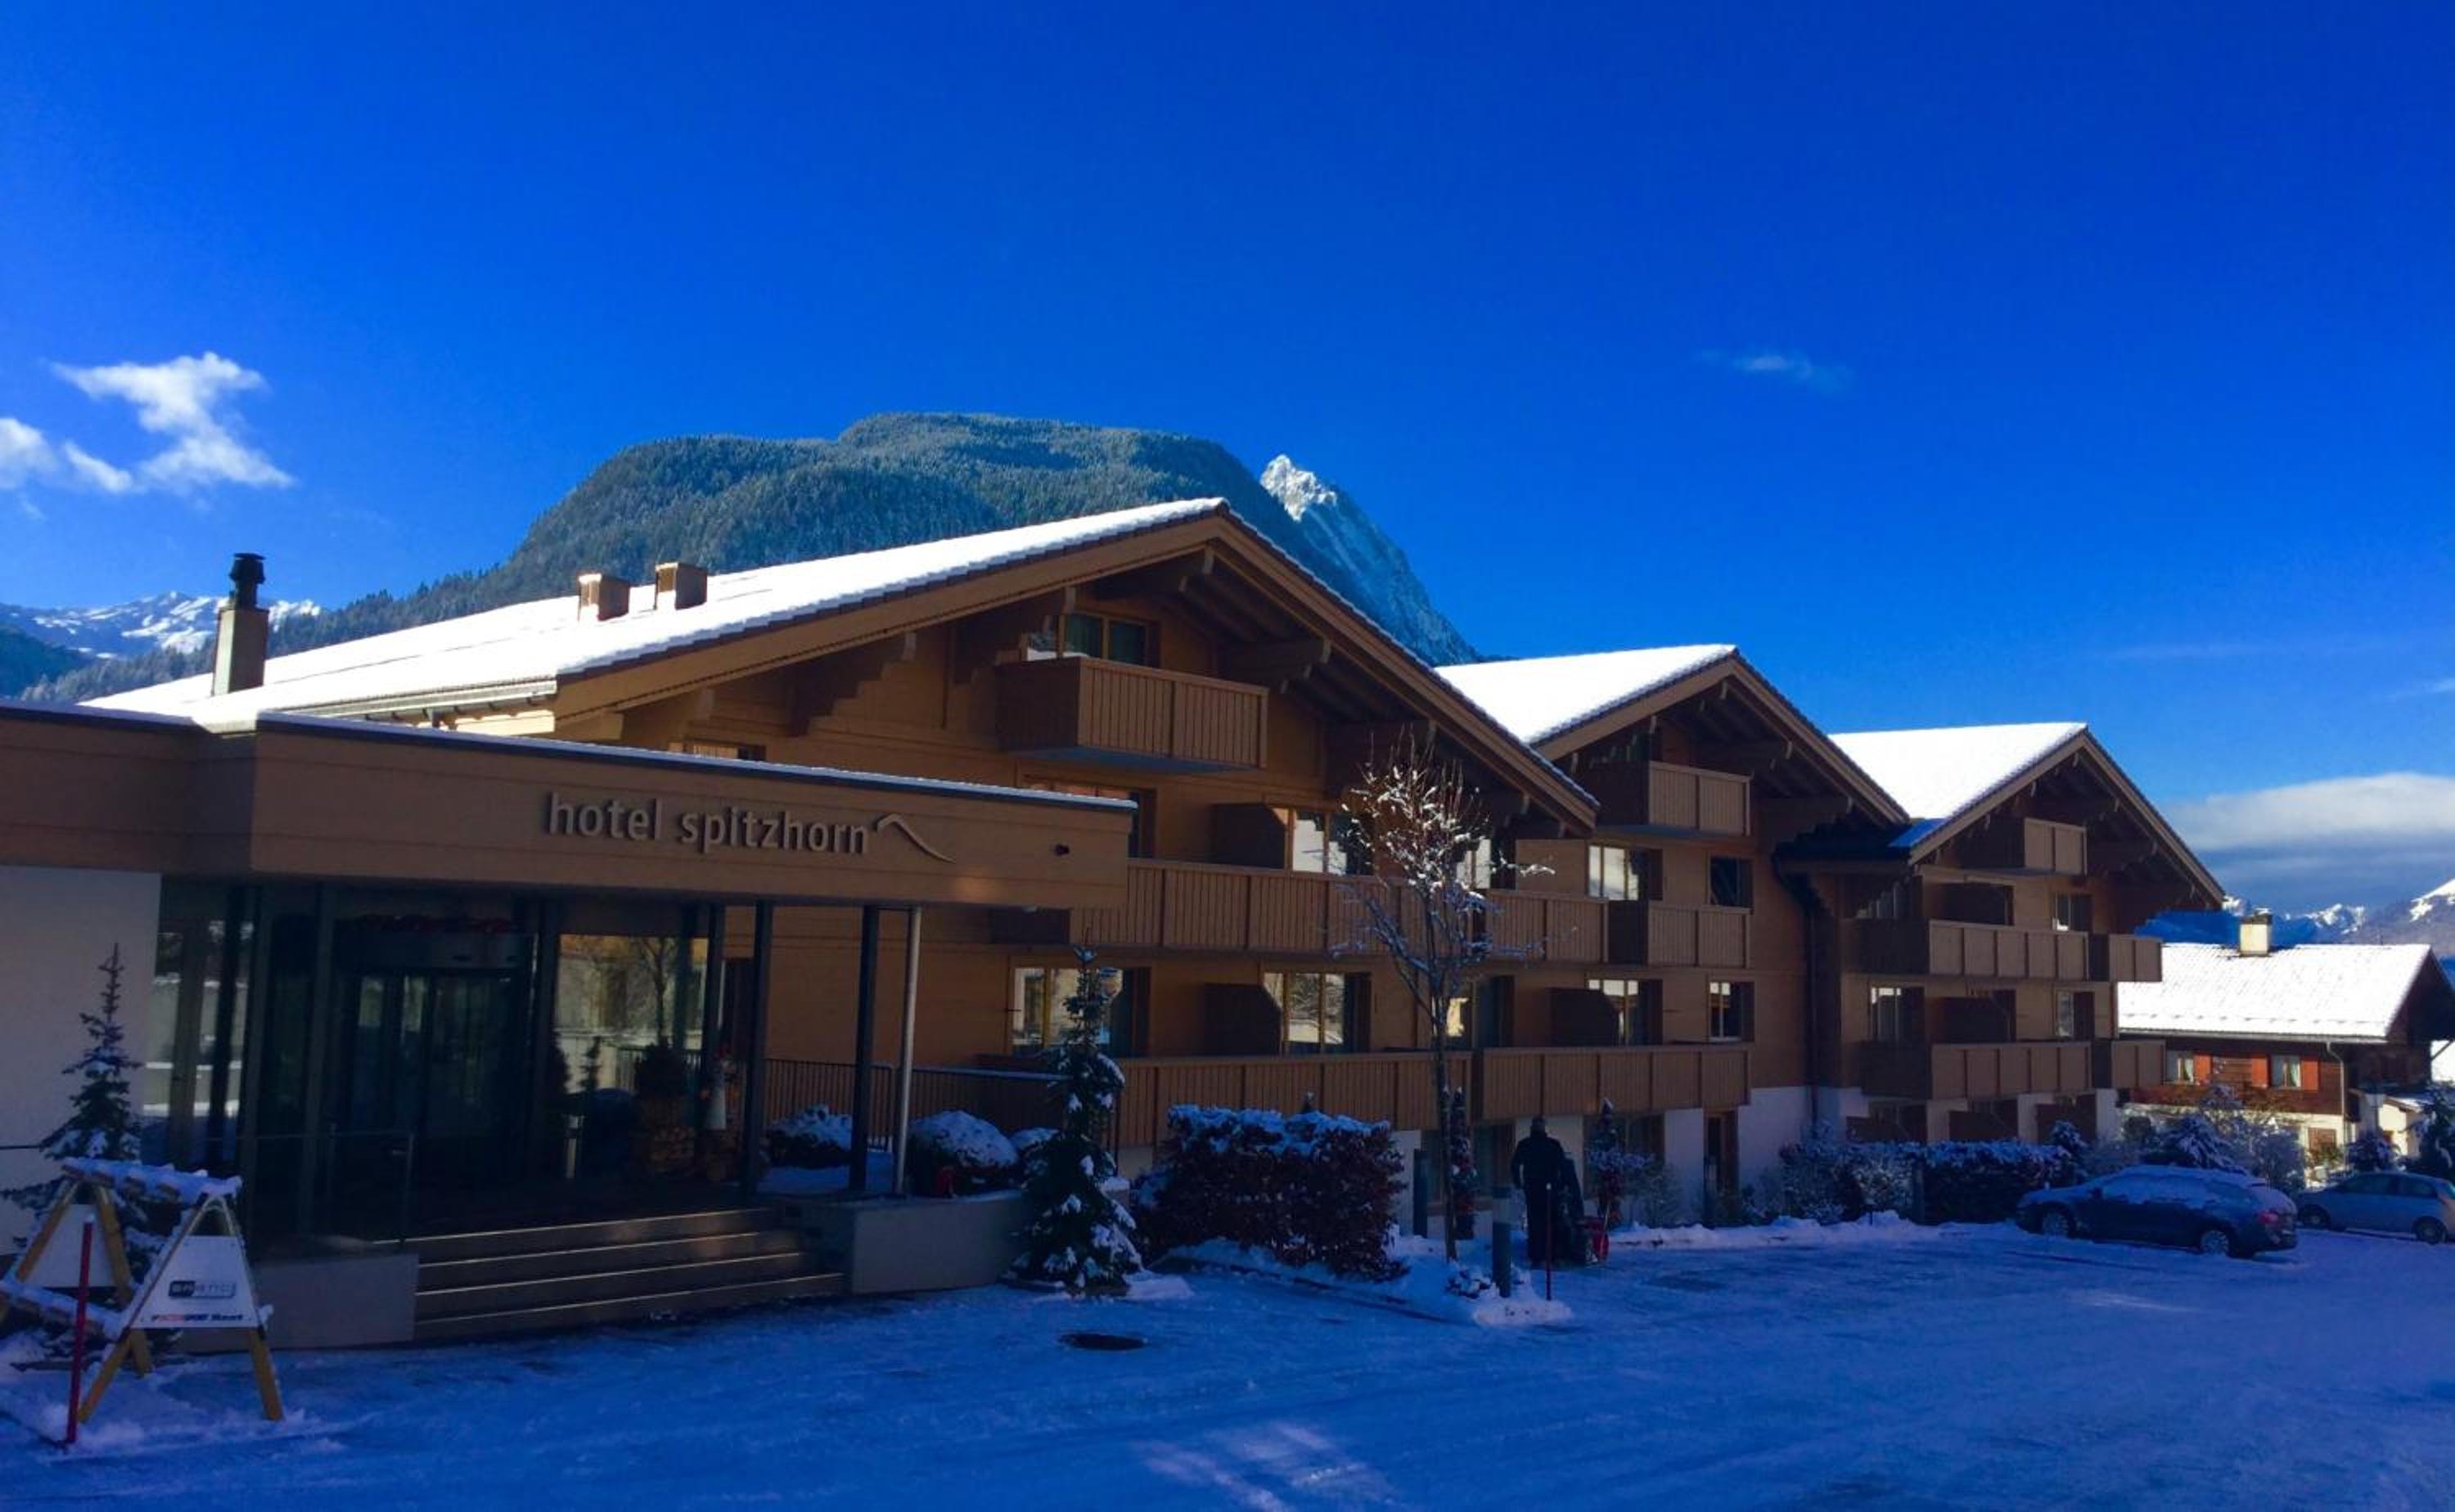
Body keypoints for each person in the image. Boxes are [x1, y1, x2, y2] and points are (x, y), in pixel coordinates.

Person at [1510, 1118, 1570, 1264]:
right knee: (1552, 1221)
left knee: (1535, 1222)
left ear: (1532, 1129)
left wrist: (1518, 1183)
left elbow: (1515, 1165)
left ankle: (1536, 1255)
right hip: (1551, 1190)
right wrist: (1563, 1185)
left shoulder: (1525, 1144)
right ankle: (1553, 1255)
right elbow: (1564, 1167)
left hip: (1533, 1189)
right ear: (1545, 1129)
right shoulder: (1553, 1145)